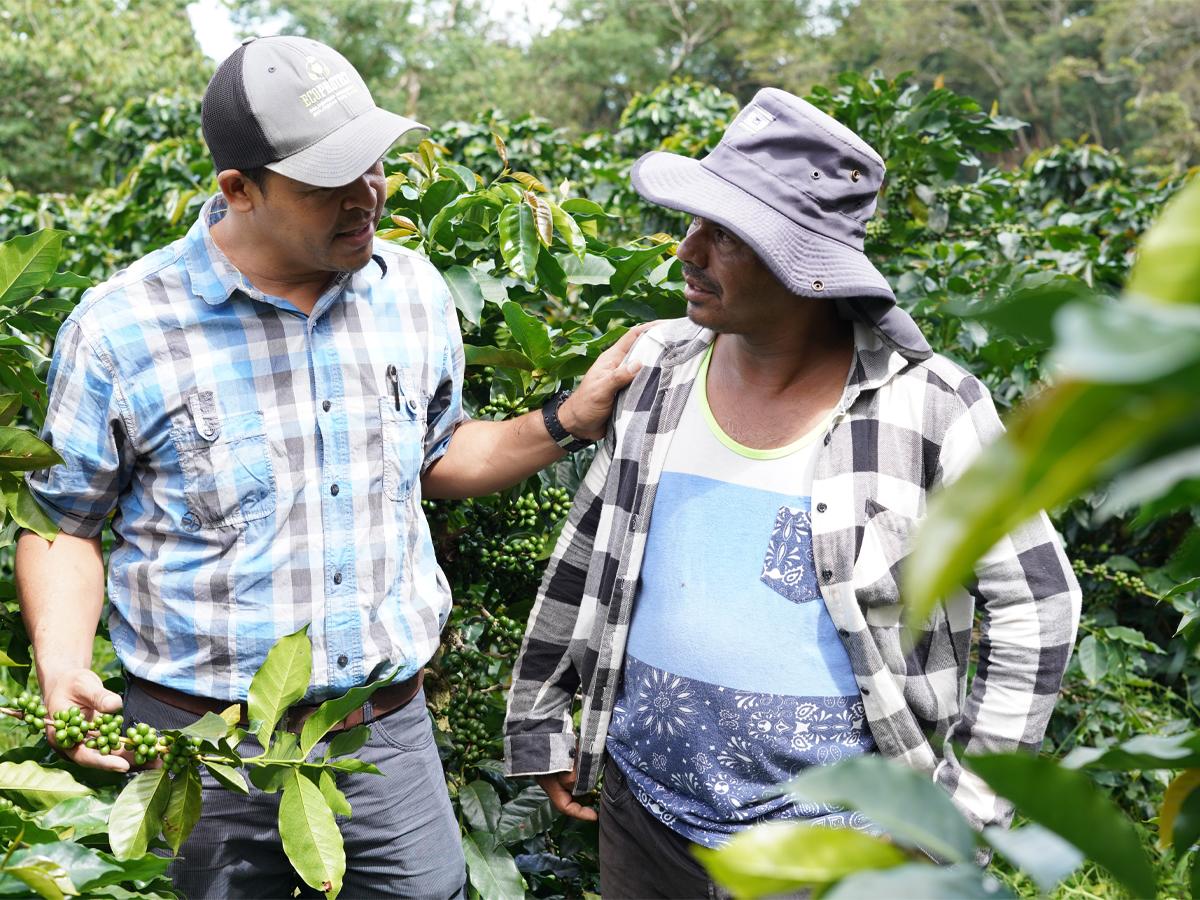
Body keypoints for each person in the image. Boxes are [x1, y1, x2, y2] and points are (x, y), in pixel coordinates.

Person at [15, 35, 640, 899]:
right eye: (326, 183)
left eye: (374, 167)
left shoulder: (414, 294)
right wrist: (62, 663)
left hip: (381, 734)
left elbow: (438, 454)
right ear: (238, 188)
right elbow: (65, 525)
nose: (365, 198)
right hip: (202, 749)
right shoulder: (123, 329)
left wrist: (569, 418)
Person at [503, 87, 1082, 897]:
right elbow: (591, 546)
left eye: (724, 236)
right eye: (693, 223)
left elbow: (1038, 604)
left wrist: (963, 812)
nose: (686, 251)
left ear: (803, 265)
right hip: (647, 821)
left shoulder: (929, 407)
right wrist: (540, 715)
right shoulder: (660, 368)